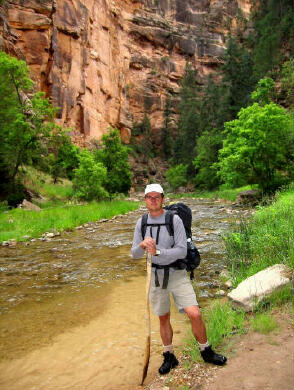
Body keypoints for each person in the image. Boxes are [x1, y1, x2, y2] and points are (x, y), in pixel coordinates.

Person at [131, 183, 227, 375]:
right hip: (156, 277)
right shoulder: (141, 223)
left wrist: (158, 251)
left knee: (195, 313)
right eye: (149, 197)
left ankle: (206, 351)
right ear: (145, 200)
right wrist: (142, 245)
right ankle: (169, 356)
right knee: (163, 317)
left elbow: (181, 250)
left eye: (157, 197)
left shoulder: (174, 220)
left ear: (163, 199)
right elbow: (134, 254)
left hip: (178, 274)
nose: (153, 200)